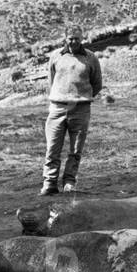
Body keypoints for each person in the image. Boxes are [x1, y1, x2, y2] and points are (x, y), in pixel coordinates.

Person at [40, 26, 102, 195]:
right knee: (52, 148)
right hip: (57, 108)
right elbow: (52, 81)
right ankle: (49, 183)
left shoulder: (90, 58)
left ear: (82, 38)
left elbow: (97, 84)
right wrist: (59, 98)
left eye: (77, 38)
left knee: (75, 150)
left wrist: (81, 98)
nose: (73, 41)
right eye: (70, 38)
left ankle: (69, 182)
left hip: (81, 109)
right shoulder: (56, 56)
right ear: (65, 38)